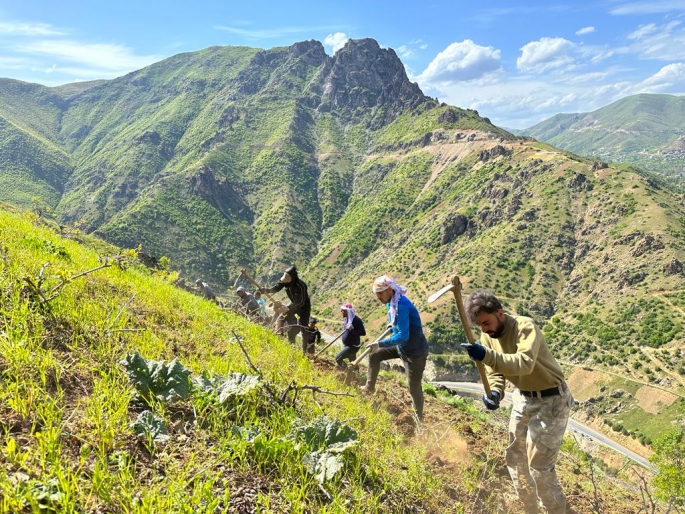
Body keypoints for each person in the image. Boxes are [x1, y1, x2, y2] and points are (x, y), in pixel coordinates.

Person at [462, 290, 574, 514]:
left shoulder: (525, 327)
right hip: (523, 397)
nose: (484, 330)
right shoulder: (488, 337)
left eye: (487, 322)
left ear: (500, 313)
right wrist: (495, 392)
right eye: (480, 326)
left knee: (540, 466)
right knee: (515, 457)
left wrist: (486, 355)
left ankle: (555, 510)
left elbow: (524, 364)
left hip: (552, 399)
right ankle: (529, 508)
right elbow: (496, 372)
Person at [362, 275, 428, 422]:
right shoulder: (390, 302)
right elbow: (395, 323)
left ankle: (419, 419)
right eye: (376, 293)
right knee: (374, 356)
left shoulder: (402, 306)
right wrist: (391, 325)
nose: (377, 297)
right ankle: (369, 387)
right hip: (401, 347)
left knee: (413, 387)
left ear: (390, 290)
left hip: (414, 353)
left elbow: (403, 336)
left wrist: (379, 344)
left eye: (380, 293)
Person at [262, 265, 312, 354]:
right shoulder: (285, 282)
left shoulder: (301, 286)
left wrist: (288, 308)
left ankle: (304, 351)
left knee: (304, 329)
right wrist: (266, 290)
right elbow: (276, 288)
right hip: (293, 304)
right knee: (282, 317)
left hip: (304, 307)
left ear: (292, 277)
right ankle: (280, 334)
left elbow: (301, 302)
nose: (285, 282)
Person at [335, 303, 366, 369]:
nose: (341, 312)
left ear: (347, 311)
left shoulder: (356, 320)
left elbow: (363, 332)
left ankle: (347, 372)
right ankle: (357, 376)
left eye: (342, 310)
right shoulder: (347, 319)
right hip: (347, 345)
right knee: (353, 362)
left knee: (337, 358)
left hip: (352, 346)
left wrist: (352, 330)